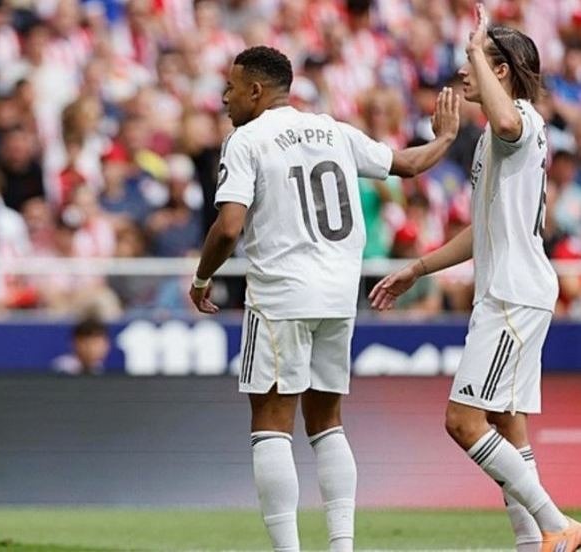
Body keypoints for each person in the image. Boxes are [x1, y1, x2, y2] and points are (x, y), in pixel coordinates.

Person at [189, 45, 460, 552]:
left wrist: (203, 278)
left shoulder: (246, 140)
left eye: (230, 87)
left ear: (255, 90)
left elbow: (228, 227)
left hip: (280, 295)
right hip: (338, 297)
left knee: (271, 426)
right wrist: (445, 137)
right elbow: (406, 164)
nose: (224, 98)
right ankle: (341, 545)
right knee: (328, 424)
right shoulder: (334, 130)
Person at [370, 6, 581, 552]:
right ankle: (535, 544)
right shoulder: (493, 138)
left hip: (512, 294)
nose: (464, 70)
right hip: (512, 290)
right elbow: (482, 229)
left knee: (463, 421)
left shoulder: (518, 122)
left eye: (476, 61)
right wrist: (418, 267)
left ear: (501, 71)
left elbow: (509, 121)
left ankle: (558, 523)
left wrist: (478, 45)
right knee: (508, 422)